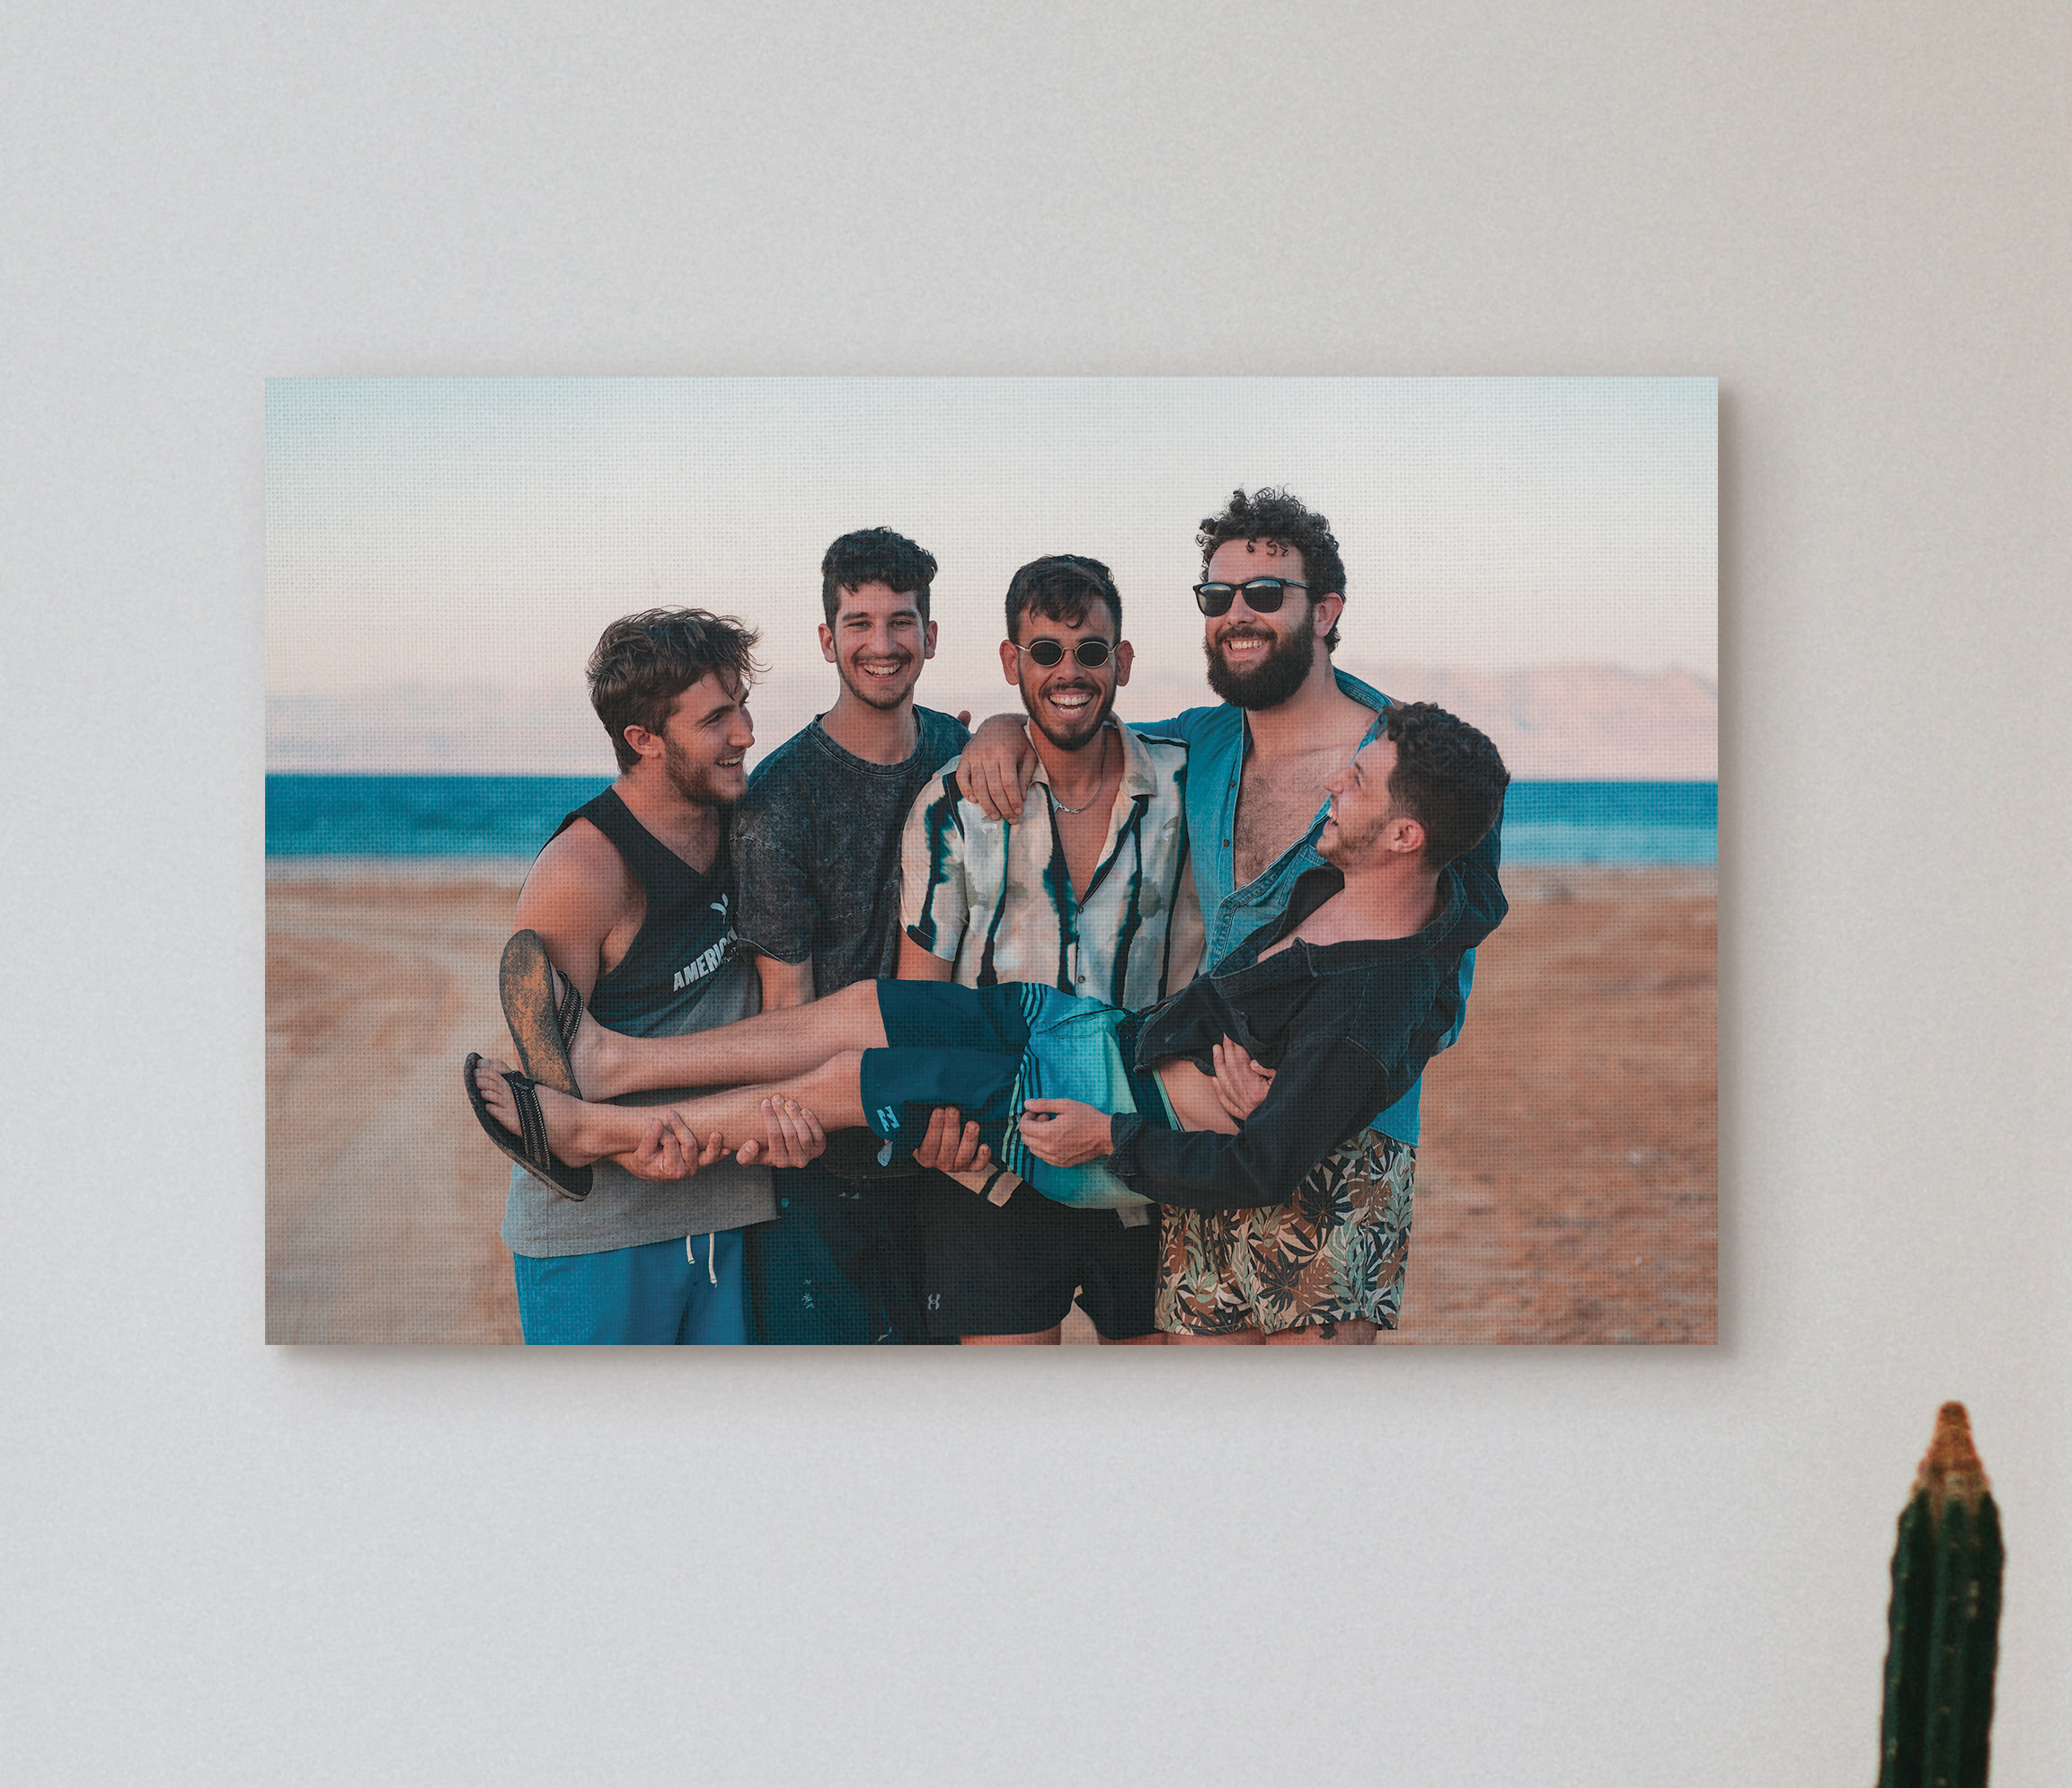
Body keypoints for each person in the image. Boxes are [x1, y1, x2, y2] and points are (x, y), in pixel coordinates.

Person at [553, 702, 1509, 1341]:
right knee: (865, 1012)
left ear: (1405, 836)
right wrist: (1005, 721)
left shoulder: (1374, 1002)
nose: (1331, 787)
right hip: (1088, 1029)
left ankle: (608, 1129)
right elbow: (1080, 712)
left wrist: (1113, 1134)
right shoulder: (1343, 884)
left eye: (1357, 783)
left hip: (1101, 1109)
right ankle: (621, 1061)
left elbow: (1260, 1165)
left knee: (851, 1086)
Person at [952, 481, 1511, 1320]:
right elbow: (1080, 733)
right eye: (1218, 596)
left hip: (1340, 1139)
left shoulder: (1404, 760)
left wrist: (1304, 1093)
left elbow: (1442, 981)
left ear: (1324, 611)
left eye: (1264, 595)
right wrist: (999, 728)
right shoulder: (1202, 743)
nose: (1236, 614)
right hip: (1197, 1138)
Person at [882, 553, 1199, 1342]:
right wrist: (934, 1122)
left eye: (1091, 651)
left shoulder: (1188, 789)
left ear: (1121, 662)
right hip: (994, 1166)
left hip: (1147, 1159)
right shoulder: (954, 805)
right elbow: (923, 996)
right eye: (1045, 652)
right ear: (1010, 662)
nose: (1070, 671)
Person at [466, 607, 777, 1342]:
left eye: (744, 707)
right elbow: (540, 1095)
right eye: (716, 719)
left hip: (737, 1213)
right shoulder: (585, 870)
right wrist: (628, 1137)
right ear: (643, 740)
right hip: (600, 1239)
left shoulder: (749, 823)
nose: (745, 735)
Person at [727, 525, 965, 1341]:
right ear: (829, 640)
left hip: (946, 1141)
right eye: (859, 624)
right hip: (829, 1157)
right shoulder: (780, 802)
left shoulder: (960, 752)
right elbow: (784, 1005)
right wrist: (787, 1118)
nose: (882, 644)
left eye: (901, 622)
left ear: (930, 637)